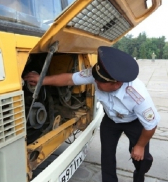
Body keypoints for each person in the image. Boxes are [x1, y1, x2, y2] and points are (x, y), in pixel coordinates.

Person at [24, 46, 160, 182]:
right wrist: (42, 80)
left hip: (134, 122)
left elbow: (151, 125)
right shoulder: (98, 76)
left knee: (141, 157)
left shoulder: (137, 95)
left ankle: (139, 175)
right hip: (111, 121)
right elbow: (70, 79)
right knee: (107, 156)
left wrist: (140, 146)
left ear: (116, 83)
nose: (94, 81)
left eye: (99, 82)